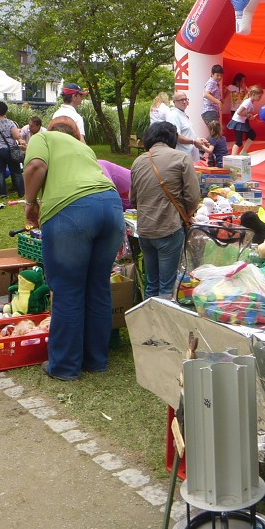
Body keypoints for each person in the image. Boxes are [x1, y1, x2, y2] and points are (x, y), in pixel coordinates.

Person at [23, 116, 124, 381]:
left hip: (72, 210)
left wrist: (29, 202)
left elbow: (34, 166)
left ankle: (65, 366)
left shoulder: (42, 138)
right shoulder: (84, 148)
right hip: (112, 208)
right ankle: (96, 360)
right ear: (76, 133)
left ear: (50, 130)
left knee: (68, 288)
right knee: (98, 285)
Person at [129, 122, 199, 300]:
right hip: (169, 227)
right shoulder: (181, 158)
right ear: (172, 138)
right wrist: (187, 214)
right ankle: (162, 326)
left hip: (145, 230)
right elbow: (193, 197)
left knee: (151, 283)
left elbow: (133, 199)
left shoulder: (138, 161)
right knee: (166, 286)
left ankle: (148, 324)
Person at [0, 101, 25, 199]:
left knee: (0, 172)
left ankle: (3, 194)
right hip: (9, 149)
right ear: (6, 111)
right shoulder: (10, 123)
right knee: (16, 171)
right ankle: (21, 193)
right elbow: (16, 135)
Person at [166, 92, 211, 162]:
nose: (184, 102)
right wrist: (194, 141)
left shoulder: (183, 115)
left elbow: (187, 134)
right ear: (174, 102)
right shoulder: (173, 115)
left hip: (190, 156)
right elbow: (176, 136)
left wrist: (199, 140)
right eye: (181, 100)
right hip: (182, 157)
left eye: (186, 99)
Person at [228, 86, 263, 156]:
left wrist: (251, 117)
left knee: (252, 135)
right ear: (253, 95)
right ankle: (233, 157)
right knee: (238, 142)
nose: (260, 98)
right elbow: (239, 112)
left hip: (241, 121)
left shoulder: (251, 103)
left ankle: (243, 151)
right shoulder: (247, 102)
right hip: (237, 122)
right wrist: (247, 116)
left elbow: (246, 114)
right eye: (259, 96)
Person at [200, 64, 224, 134]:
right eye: (217, 75)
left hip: (211, 112)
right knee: (216, 134)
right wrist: (218, 102)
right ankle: (202, 144)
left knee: (214, 134)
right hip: (210, 112)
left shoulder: (215, 83)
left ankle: (206, 144)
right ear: (212, 74)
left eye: (221, 76)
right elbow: (206, 94)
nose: (219, 77)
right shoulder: (212, 82)